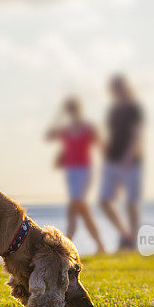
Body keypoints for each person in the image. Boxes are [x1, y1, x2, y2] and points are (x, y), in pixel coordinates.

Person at [46, 96, 105, 253]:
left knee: (74, 206)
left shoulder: (88, 128)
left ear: (78, 110)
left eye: (73, 109)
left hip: (84, 171)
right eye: (69, 110)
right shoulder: (66, 130)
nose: (72, 113)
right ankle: (100, 245)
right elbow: (49, 135)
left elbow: (102, 145)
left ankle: (66, 245)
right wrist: (58, 113)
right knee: (83, 210)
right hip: (70, 172)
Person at [99, 75, 144, 251]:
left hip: (131, 162)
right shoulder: (114, 111)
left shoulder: (134, 109)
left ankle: (132, 242)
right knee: (104, 200)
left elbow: (137, 134)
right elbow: (111, 135)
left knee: (131, 202)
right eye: (114, 88)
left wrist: (129, 155)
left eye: (119, 87)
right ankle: (125, 234)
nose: (117, 90)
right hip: (112, 161)